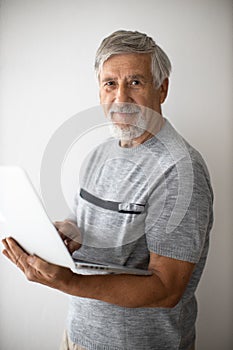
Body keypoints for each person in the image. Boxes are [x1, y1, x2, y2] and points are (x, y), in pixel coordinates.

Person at [2, 30, 213, 350]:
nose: (121, 99)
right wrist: (69, 231)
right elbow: (84, 218)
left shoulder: (180, 172)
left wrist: (69, 282)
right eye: (110, 83)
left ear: (163, 88)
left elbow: (167, 289)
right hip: (77, 336)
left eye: (136, 82)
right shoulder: (100, 152)